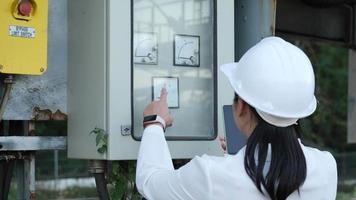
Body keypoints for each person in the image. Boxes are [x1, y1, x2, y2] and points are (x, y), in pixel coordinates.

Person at [136, 37, 337, 200]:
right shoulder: (326, 168)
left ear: (240, 106)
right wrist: (240, 156)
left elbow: (150, 182)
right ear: (297, 114)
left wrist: (155, 122)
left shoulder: (210, 175)